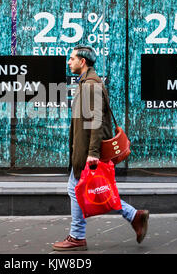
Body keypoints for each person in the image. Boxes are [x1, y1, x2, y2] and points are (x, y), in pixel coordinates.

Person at [52, 45, 149, 251]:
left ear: (82, 62)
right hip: (84, 148)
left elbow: (95, 122)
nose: (69, 62)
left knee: (77, 189)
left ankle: (77, 236)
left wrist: (92, 154)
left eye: (72, 59)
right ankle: (134, 216)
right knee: (90, 190)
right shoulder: (87, 82)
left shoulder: (91, 84)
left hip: (87, 150)